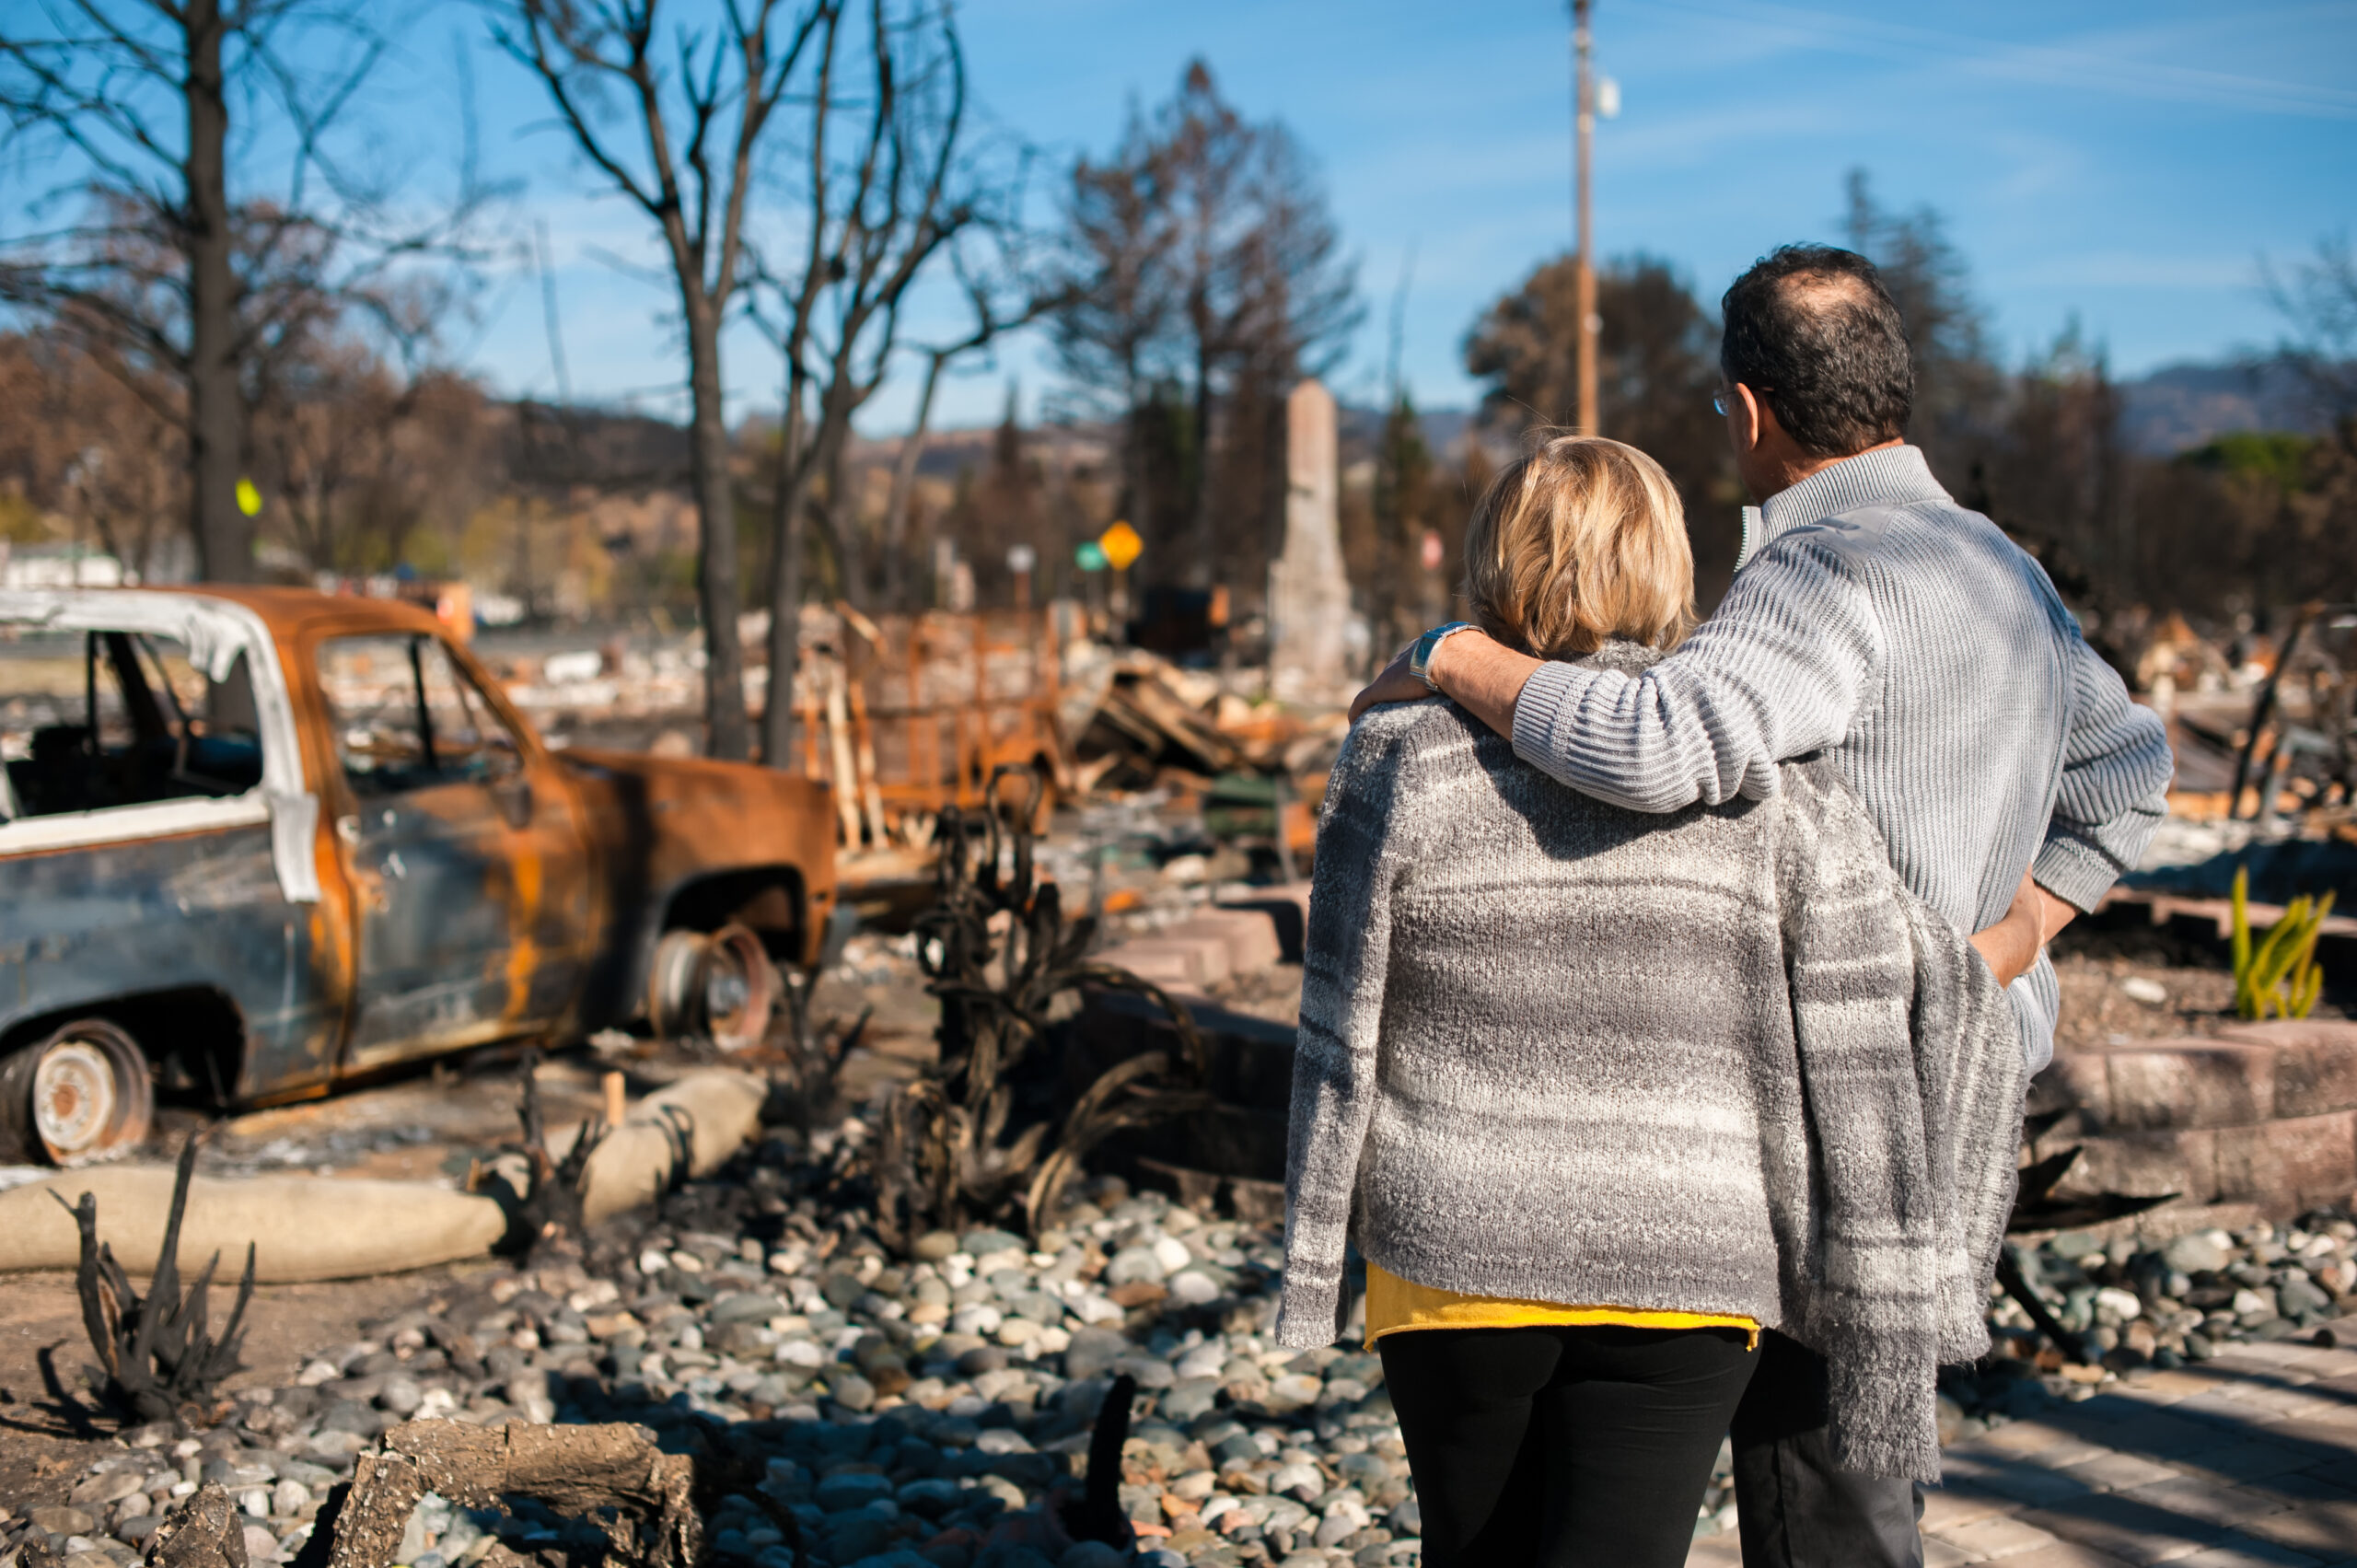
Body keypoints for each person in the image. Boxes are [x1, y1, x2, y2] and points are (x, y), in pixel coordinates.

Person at [1352, 245, 2177, 1566]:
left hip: (1839, 1096)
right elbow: (2131, 775)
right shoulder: (1999, 569)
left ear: (1746, 409)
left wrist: (1452, 655)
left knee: (1819, 1500)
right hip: (1966, 1078)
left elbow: (1657, 742)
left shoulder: (1822, 573)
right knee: (1862, 1480)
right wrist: (2011, 941)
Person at [1278, 435, 2026, 1568]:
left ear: (1493, 560)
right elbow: (1863, 1001)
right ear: (1670, 566)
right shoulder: (1765, 779)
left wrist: (1313, 1255)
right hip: (1689, 1260)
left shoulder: (1399, 748)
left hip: (1455, 1247)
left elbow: (1339, 1023)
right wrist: (2017, 937)